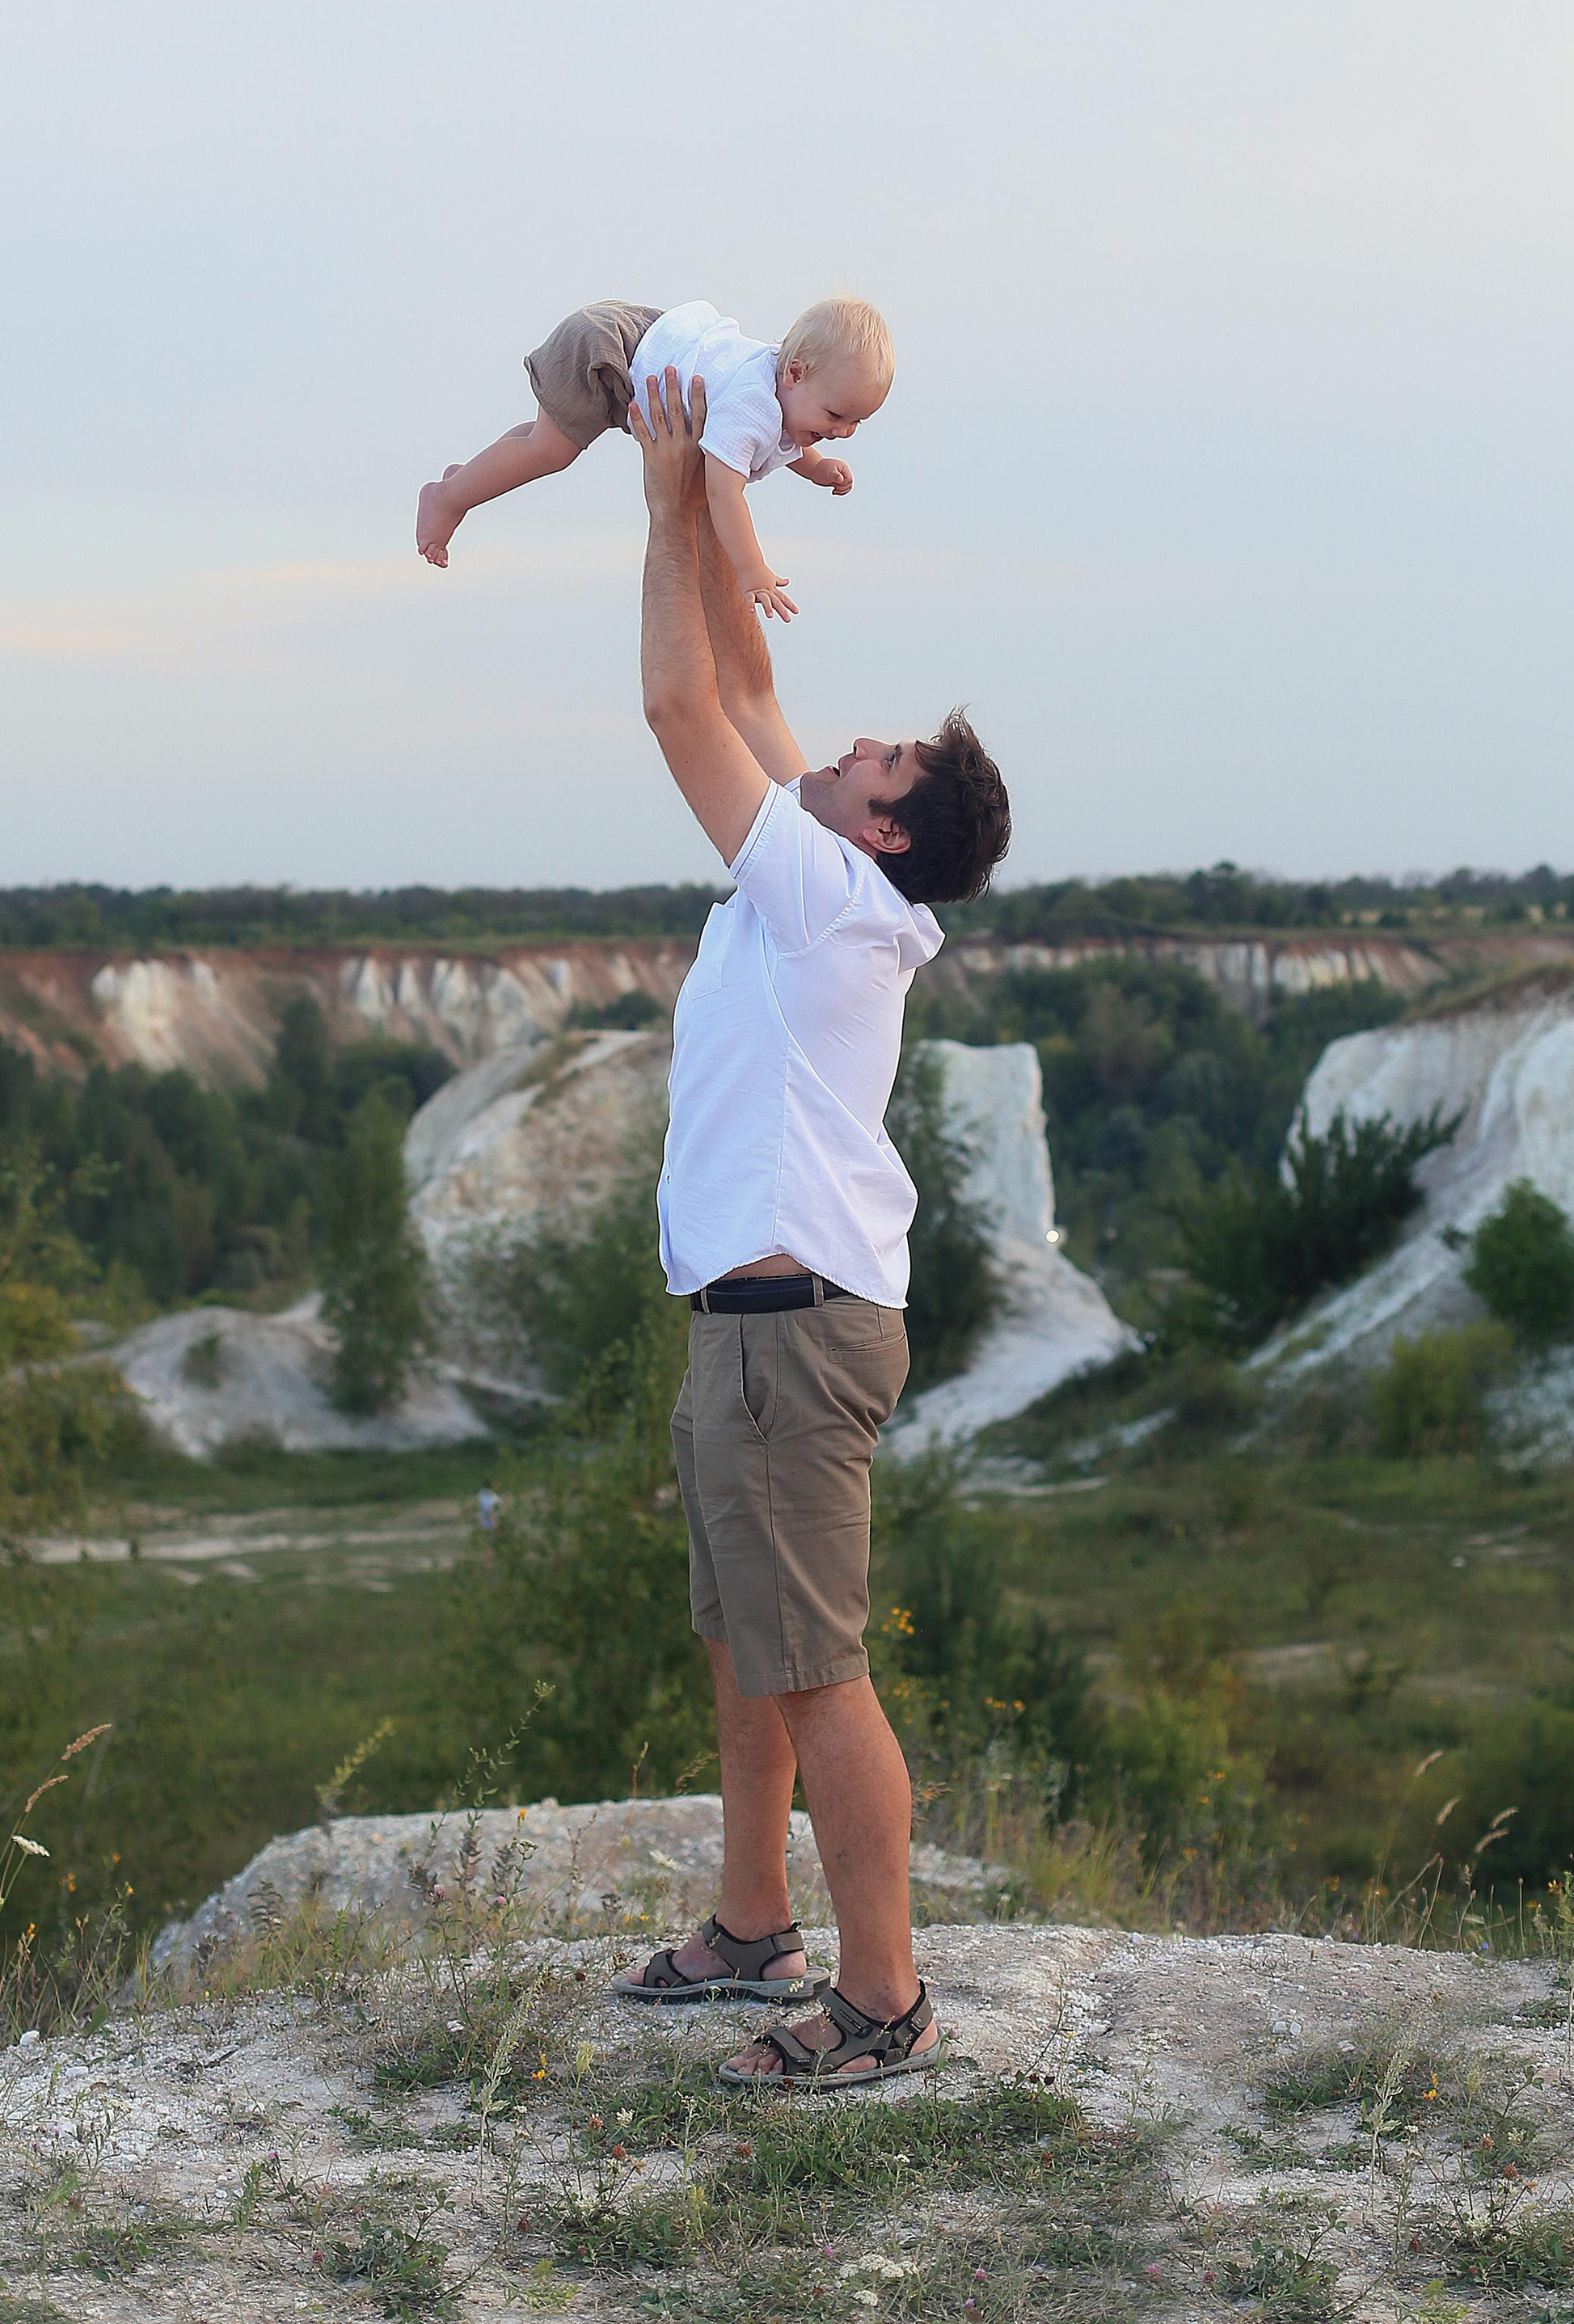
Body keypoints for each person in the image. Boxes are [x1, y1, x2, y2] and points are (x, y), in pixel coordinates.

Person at [613, 365, 1011, 2092]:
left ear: (883, 827)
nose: (845, 740)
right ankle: (749, 1920)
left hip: (793, 1333)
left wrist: (652, 501)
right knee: (743, 1638)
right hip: (750, 1323)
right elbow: (754, 677)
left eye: (879, 756)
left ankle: (880, 1999)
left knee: (819, 1668)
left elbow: (680, 709)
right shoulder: (836, 872)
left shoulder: (823, 890)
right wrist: (714, 480)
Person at [416, 295, 893, 622]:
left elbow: (776, 439)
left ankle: (467, 480)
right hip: (610, 351)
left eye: (856, 423)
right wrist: (752, 568)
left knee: (544, 440)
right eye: (836, 415)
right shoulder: (756, 403)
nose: (842, 432)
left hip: (640, 337)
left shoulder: (783, 393)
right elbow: (723, 490)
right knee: (550, 450)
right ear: (794, 373)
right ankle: (450, 497)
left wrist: (814, 467)